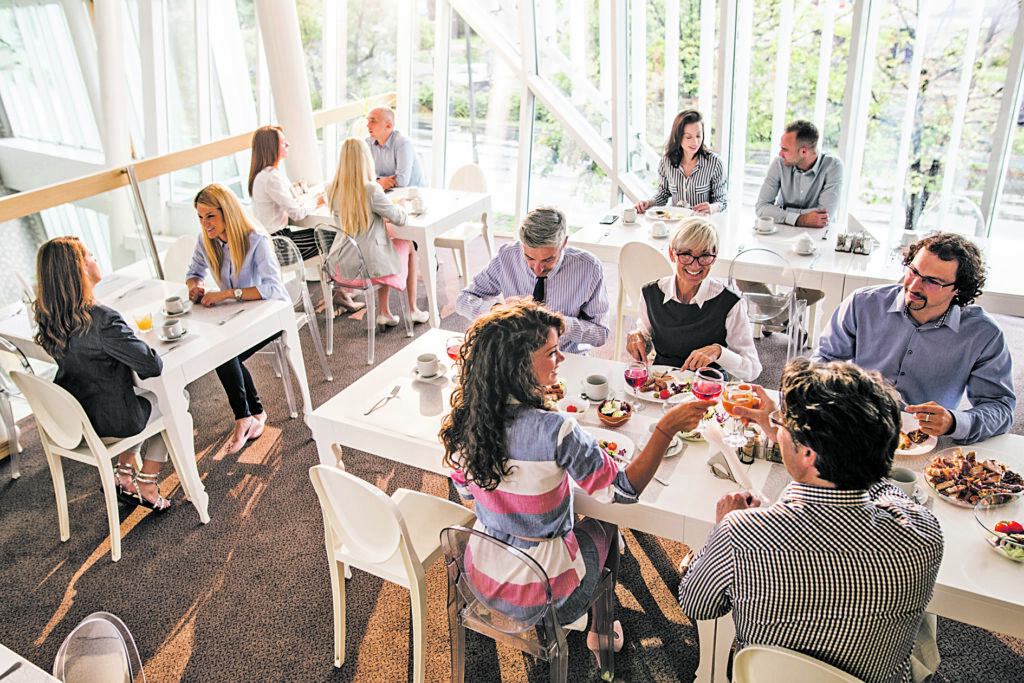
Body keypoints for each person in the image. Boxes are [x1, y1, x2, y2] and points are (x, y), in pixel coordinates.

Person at [441, 300, 713, 662]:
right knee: (609, 520)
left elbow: (468, 498)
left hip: (485, 576)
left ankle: (597, 627)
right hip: (547, 591)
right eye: (552, 353)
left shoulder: (464, 421)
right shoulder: (555, 430)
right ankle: (600, 632)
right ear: (518, 364)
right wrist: (666, 428)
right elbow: (624, 491)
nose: (561, 360)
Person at [679, 358, 943, 683]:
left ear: (808, 454)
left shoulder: (743, 532)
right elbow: (880, 485)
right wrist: (789, 436)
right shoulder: (924, 532)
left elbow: (696, 604)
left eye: (782, 422)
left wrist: (723, 526)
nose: (778, 427)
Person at [813, 232, 1014, 444]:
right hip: (854, 426)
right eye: (914, 271)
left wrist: (954, 422)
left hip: (925, 442)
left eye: (932, 281)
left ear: (958, 289)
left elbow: (1000, 408)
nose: (915, 285)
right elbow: (824, 359)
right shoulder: (863, 303)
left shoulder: (984, 334)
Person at [33, 237, 170, 511]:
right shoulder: (101, 319)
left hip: (76, 419)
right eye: (91, 255)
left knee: (137, 397)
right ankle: (147, 480)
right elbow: (152, 366)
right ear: (80, 268)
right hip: (110, 422)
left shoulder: (49, 317)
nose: (96, 259)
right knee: (173, 400)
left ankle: (123, 474)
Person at [187, 184, 290, 455]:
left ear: (227, 212)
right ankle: (253, 414)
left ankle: (245, 417)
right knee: (223, 350)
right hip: (235, 319)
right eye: (200, 217)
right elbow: (194, 270)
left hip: (268, 318)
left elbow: (274, 290)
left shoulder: (256, 240)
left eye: (210, 216)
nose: (205, 224)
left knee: (223, 352)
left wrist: (226, 294)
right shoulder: (205, 240)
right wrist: (194, 286)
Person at [455, 207, 610, 354]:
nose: (537, 270)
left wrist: (559, 323)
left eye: (548, 260)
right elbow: (463, 300)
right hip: (515, 354)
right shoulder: (507, 256)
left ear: (563, 243)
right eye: (529, 257)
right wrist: (499, 310)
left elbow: (601, 333)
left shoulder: (589, 268)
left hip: (564, 355)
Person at [625, 217, 760, 380]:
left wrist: (719, 352)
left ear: (715, 257)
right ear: (672, 254)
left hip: (707, 388)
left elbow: (752, 370)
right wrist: (636, 335)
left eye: (704, 256)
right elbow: (644, 339)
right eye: (686, 255)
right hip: (662, 383)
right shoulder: (650, 293)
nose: (695, 265)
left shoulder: (730, 303)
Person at [248, 126, 364, 314]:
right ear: (272, 147)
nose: (287, 144)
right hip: (282, 246)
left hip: (272, 242)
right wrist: (317, 201)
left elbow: (291, 203)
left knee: (327, 234)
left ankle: (340, 290)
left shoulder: (262, 176)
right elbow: (297, 213)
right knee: (336, 236)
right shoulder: (272, 178)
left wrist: (309, 200)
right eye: (282, 142)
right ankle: (341, 290)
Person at [325, 137, 430, 327]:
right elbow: (400, 219)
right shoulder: (371, 189)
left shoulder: (332, 188)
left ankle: (386, 312)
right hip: (367, 267)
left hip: (340, 267)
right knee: (407, 245)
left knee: (384, 241)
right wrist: (402, 206)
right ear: (365, 159)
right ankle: (412, 309)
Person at [634, 109, 727, 216]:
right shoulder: (666, 162)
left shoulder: (714, 162)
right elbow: (662, 196)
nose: (695, 142)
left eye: (698, 136)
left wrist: (712, 207)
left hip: (701, 225)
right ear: (678, 137)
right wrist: (648, 203)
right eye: (688, 137)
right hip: (676, 224)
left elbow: (722, 201)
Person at [755, 119, 843, 228]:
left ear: (804, 152)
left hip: (819, 236)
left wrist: (783, 212)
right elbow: (761, 207)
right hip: (783, 233)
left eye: (785, 149)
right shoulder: (779, 163)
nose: (780, 153)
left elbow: (823, 217)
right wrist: (801, 219)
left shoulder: (833, 165)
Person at [365, 106, 425, 190]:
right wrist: (378, 182)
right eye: (368, 121)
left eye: (373, 121)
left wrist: (374, 181)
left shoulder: (403, 143)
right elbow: (362, 175)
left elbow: (402, 181)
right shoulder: (367, 142)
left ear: (388, 125)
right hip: (386, 192)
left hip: (412, 196)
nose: (368, 125)